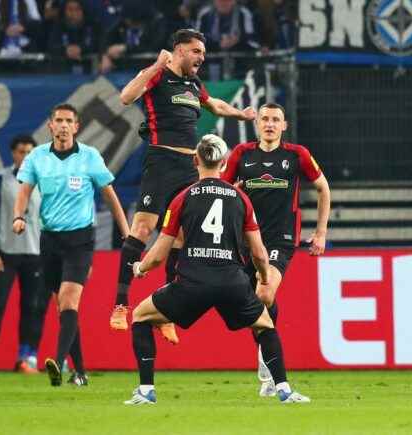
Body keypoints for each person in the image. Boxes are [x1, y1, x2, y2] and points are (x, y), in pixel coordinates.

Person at [124, 134, 310, 404]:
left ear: (195, 160)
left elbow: (159, 254)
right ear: (224, 164)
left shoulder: (182, 198)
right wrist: (264, 274)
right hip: (231, 283)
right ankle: (283, 389)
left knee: (140, 317)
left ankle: (145, 391)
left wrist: (141, 267)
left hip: (192, 284)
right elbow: (259, 252)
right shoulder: (241, 198)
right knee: (266, 326)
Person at [110, 28, 256, 342]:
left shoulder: (193, 84)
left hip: (190, 167)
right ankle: (121, 304)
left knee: (182, 236)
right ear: (178, 50)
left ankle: (165, 313)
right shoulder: (157, 76)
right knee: (143, 229)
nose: (201, 58)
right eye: (196, 51)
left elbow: (215, 105)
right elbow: (125, 97)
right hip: (161, 161)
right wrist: (155, 65)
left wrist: (241, 115)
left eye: (203, 53)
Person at [14, 103, 130, 386]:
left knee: (68, 299)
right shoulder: (37, 157)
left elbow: (110, 195)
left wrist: (127, 232)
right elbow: (25, 191)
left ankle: (57, 360)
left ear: (77, 127)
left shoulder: (90, 157)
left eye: (69, 121)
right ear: (50, 125)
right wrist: (19, 216)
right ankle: (80, 372)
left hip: (80, 239)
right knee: (64, 307)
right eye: (59, 121)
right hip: (49, 239)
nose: (64, 125)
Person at [221, 102, 330, 397]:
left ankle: (267, 369)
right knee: (250, 306)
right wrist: (235, 193)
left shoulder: (297, 155)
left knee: (265, 292)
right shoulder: (242, 154)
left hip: (280, 240)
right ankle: (268, 359)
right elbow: (220, 190)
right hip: (244, 242)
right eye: (265, 119)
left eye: (276, 120)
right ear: (257, 124)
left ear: (284, 126)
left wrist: (320, 232)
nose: (270, 124)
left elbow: (323, 188)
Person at [0, 135, 41, 375]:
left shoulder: (44, 181)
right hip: (5, 254)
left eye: (30, 152)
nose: (25, 156)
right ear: (12, 153)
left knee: (31, 307)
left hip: (36, 254)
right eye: (21, 152)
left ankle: (24, 359)